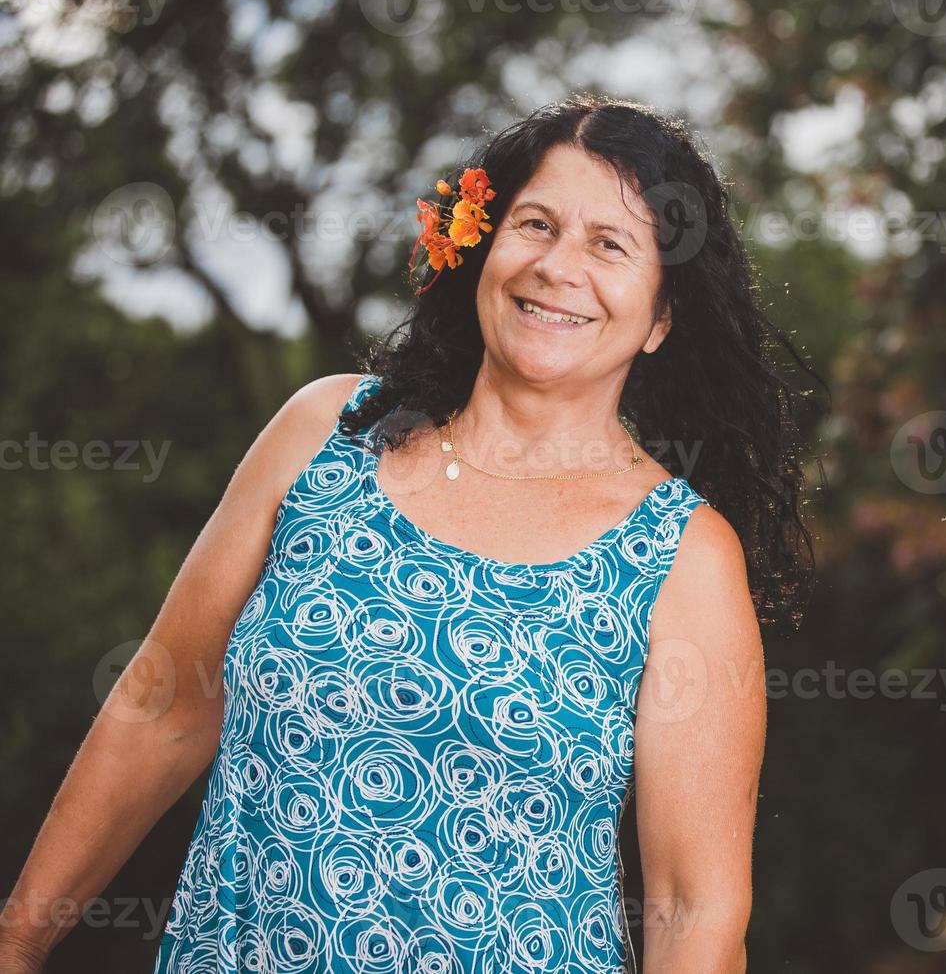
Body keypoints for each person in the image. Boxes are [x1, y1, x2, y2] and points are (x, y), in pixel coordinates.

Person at [0, 93, 820, 973]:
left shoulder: (683, 557)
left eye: (610, 245)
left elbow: (692, 912)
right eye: (534, 224)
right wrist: (17, 940)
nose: (556, 267)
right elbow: (164, 705)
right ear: (479, 248)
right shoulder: (327, 434)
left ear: (661, 318)